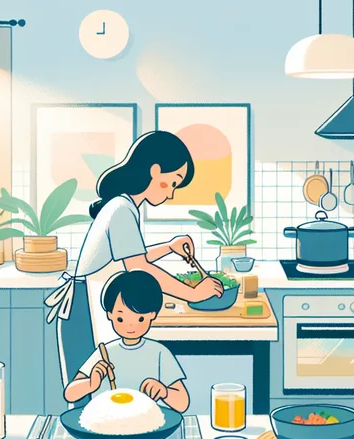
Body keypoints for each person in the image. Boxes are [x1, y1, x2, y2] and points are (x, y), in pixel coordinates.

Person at [44, 131, 222, 408]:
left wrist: (168, 247)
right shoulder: (121, 209)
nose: (172, 193)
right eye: (171, 182)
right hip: (86, 310)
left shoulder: (124, 206)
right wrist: (194, 294)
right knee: (90, 394)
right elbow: (139, 267)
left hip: (93, 300)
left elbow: (125, 258)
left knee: (105, 393)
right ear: (154, 170)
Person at [64, 270, 190, 412]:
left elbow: (182, 403)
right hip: (105, 423)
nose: (130, 325)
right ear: (110, 315)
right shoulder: (105, 352)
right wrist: (91, 384)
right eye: (121, 319)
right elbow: (69, 394)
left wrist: (164, 391)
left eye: (140, 318)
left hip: (146, 423)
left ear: (152, 315)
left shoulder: (159, 353)